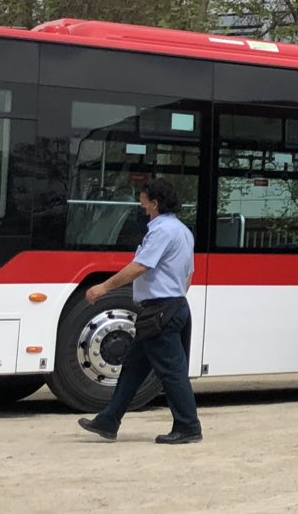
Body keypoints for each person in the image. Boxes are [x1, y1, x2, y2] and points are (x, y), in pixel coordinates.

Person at [76, 178, 201, 445]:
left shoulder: (161, 231)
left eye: (144, 201)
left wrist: (104, 287)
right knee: (133, 369)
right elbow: (188, 274)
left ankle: (189, 427)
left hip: (159, 310)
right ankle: (109, 420)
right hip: (171, 306)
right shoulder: (182, 231)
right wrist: (175, 298)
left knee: (172, 372)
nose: (142, 206)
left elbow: (140, 266)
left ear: (155, 203)